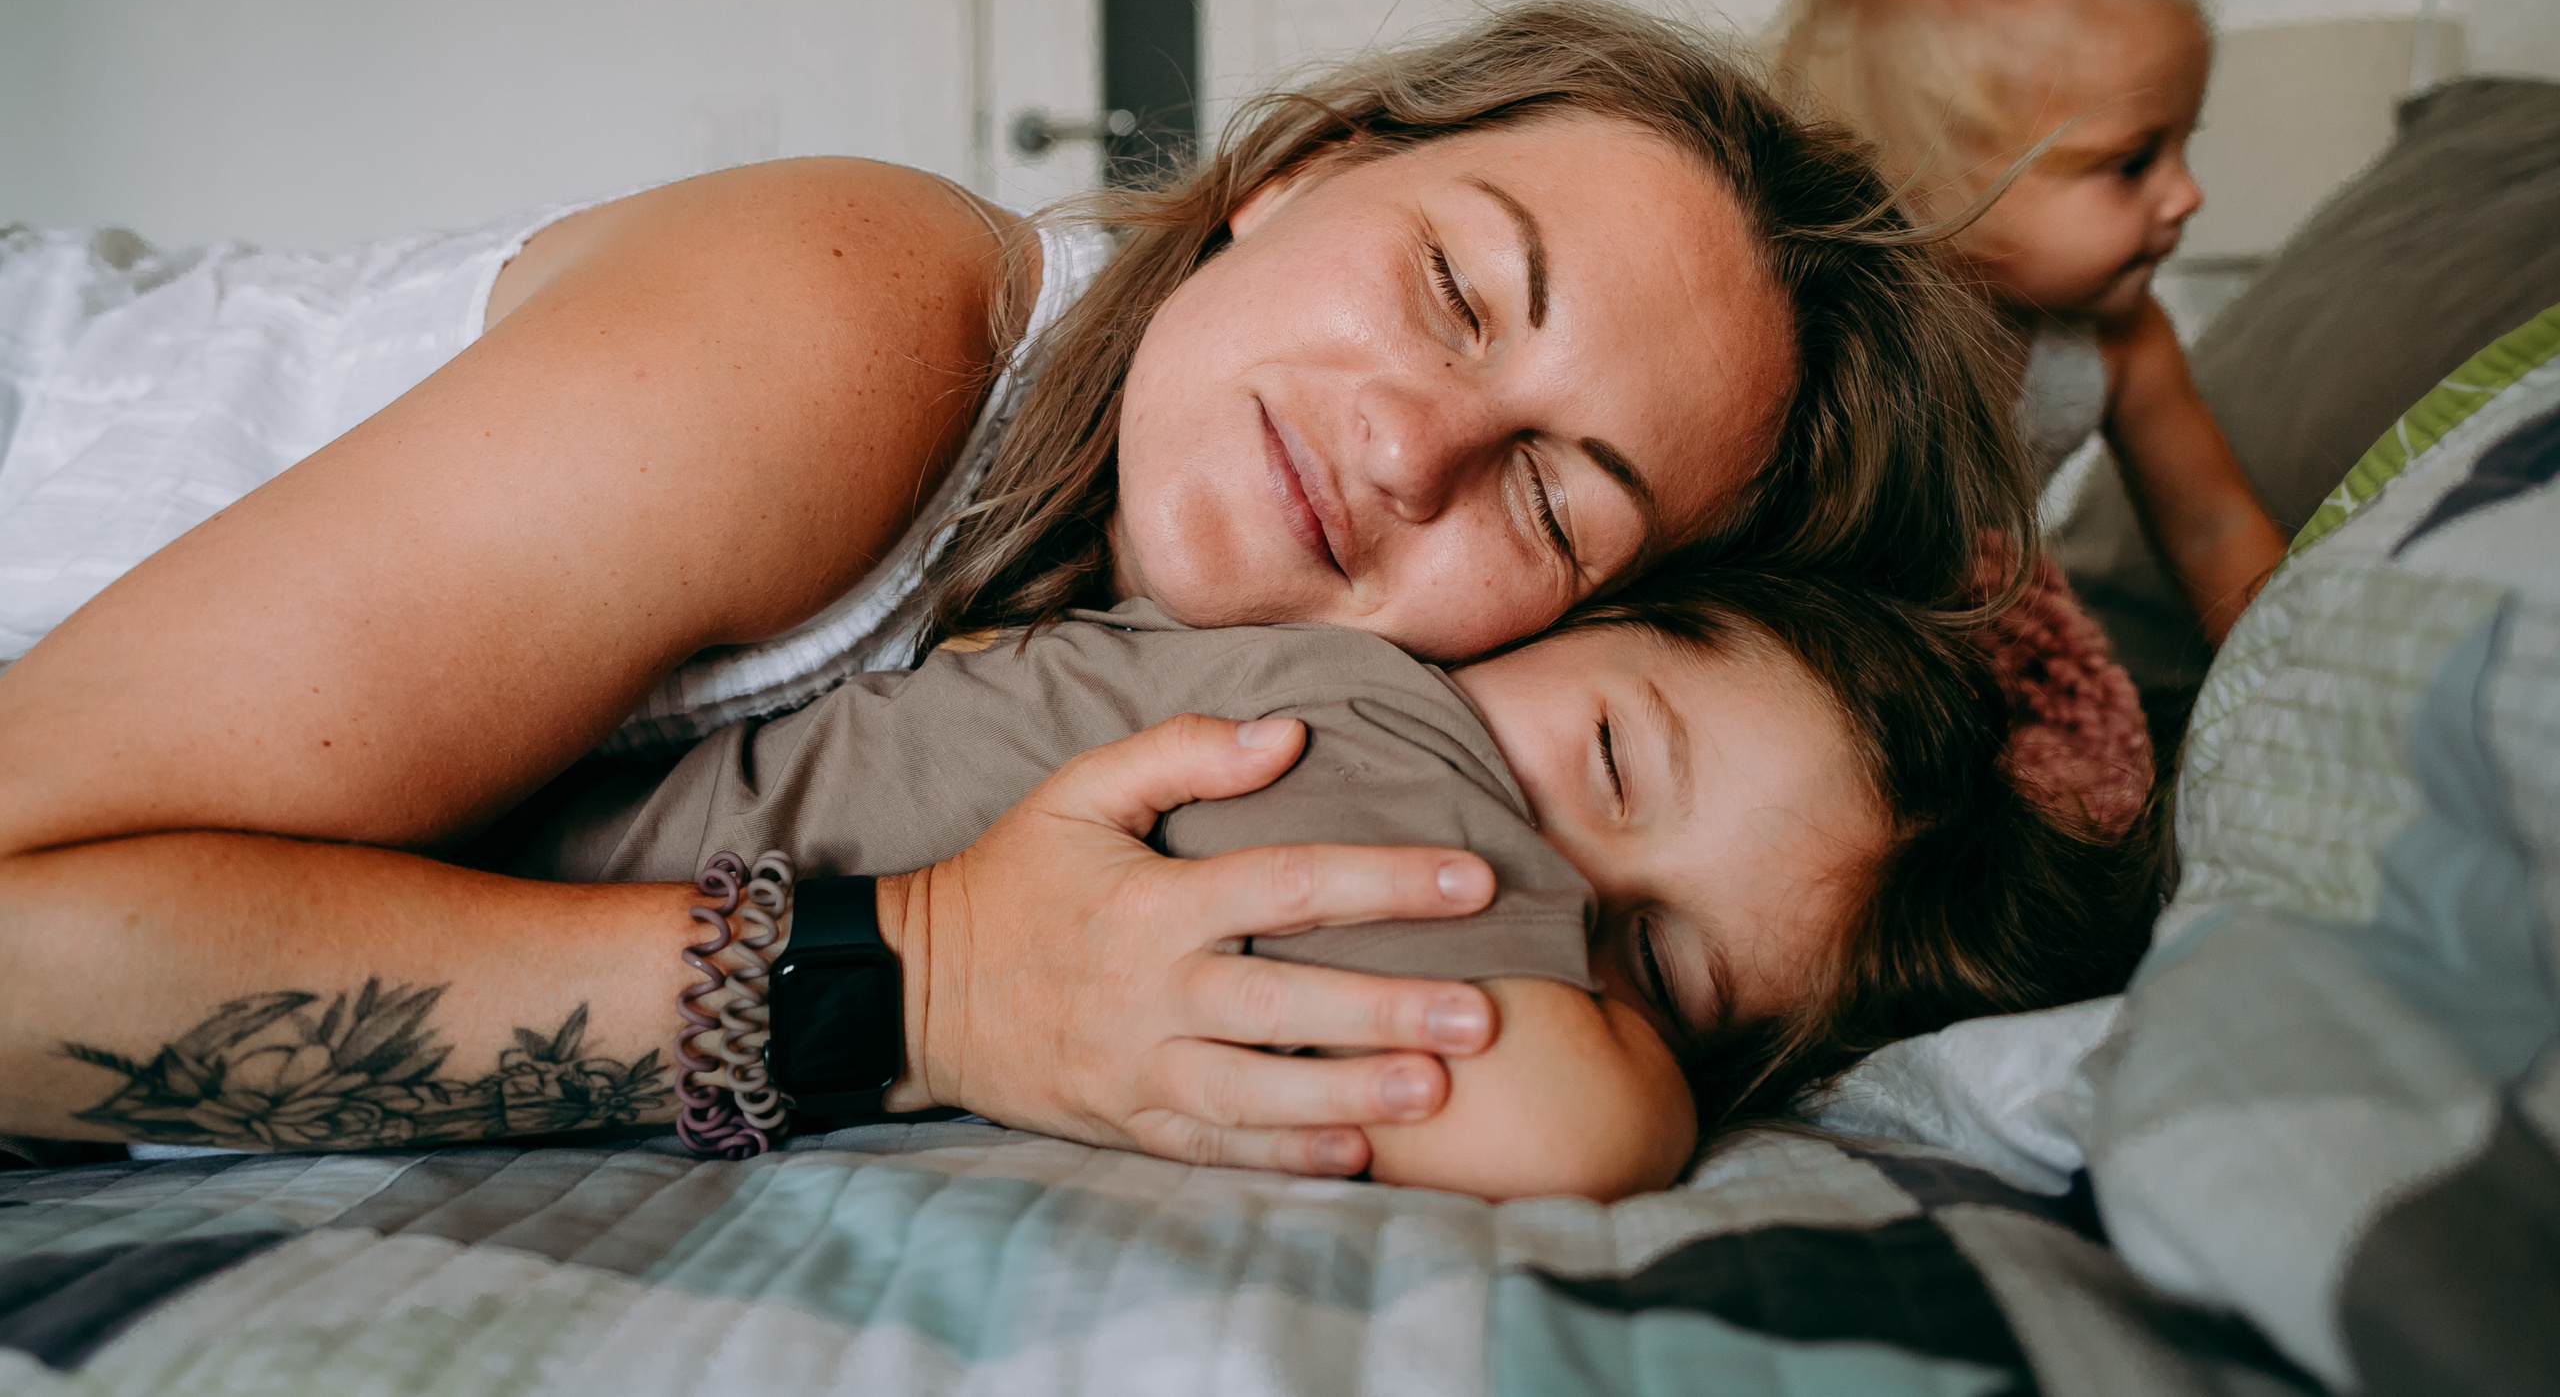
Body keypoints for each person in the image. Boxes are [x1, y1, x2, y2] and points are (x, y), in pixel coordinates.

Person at [0, 0, 2030, 1170]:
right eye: (1450, 285)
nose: (1408, 446)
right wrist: (920, 985)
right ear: (1297, 169)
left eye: (1557, 499)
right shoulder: (847, 325)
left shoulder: (1167, 701)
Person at [479, 571, 2163, 1202]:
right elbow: (1567, 1130)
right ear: (1571, 612)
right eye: (1610, 758)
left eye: (1658, 960)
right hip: (486, 865)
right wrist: (1641, 1083)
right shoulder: (1357, 717)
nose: (1551, 888)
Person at [1765, 0, 2287, 647]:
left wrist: (2298, 678)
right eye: (2132, 163)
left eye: (2181, 144)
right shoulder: (1833, 336)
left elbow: (2215, 528)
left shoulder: (2123, 343)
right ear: (1931, 186)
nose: (2188, 194)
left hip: (1974, 647)